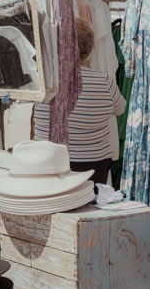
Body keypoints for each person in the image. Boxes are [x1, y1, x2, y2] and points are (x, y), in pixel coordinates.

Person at [33, 18, 126, 184]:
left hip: (46, 164)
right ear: (90, 49)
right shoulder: (104, 81)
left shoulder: (45, 82)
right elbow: (120, 109)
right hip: (92, 167)